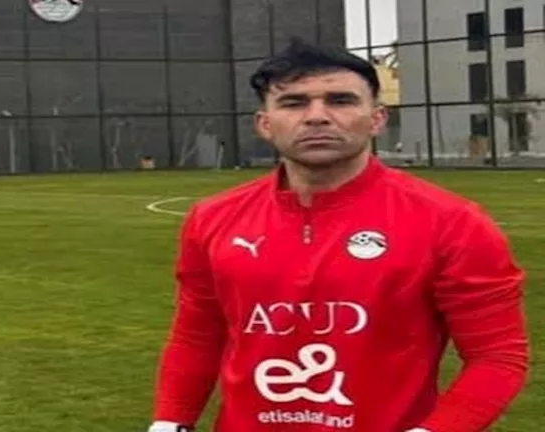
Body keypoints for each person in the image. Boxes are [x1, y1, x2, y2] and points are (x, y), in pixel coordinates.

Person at [147, 39, 530, 432]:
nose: (317, 117)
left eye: (341, 100)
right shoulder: (213, 218)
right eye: (294, 103)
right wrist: (169, 423)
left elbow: (496, 355)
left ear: (377, 119)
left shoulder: (452, 222)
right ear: (264, 124)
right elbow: (197, 337)